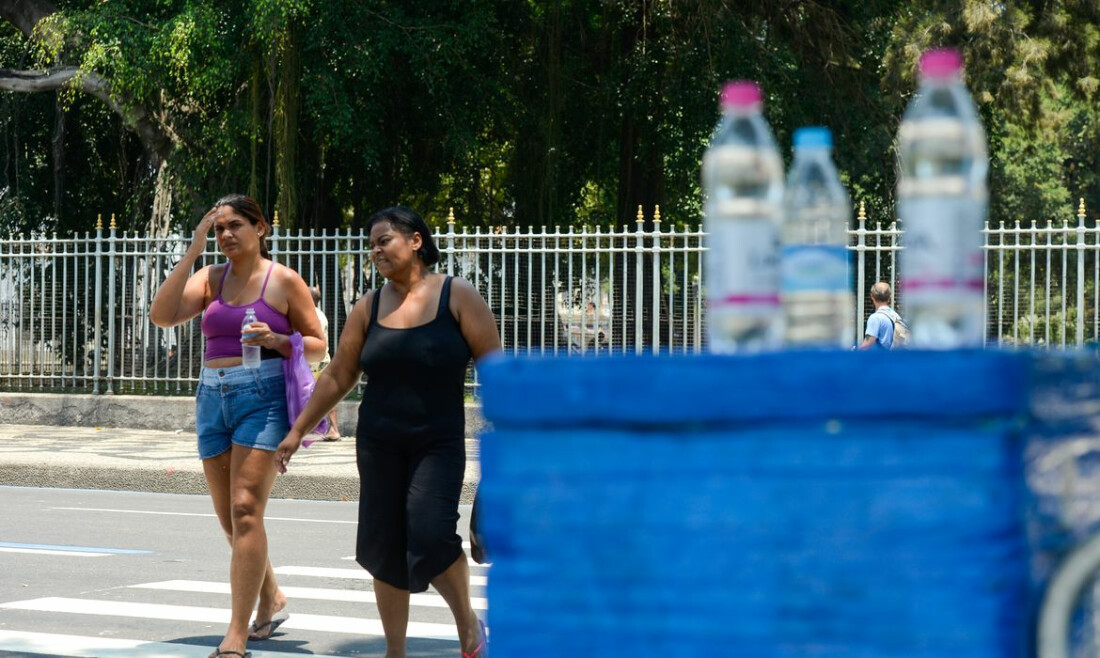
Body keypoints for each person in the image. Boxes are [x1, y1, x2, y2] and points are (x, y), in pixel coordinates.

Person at [275, 206, 500, 658]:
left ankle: (467, 626)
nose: (375, 250)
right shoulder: (369, 306)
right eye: (371, 244)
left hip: (437, 442)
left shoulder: (457, 296)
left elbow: (497, 369)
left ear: (416, 241)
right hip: (379, 443)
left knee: (431, 533)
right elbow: (339, 373)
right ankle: (394, 651)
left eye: (384, 240)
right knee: (383, 546)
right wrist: (297, 429)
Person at [149, 194, 326, 658]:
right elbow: (161, 315)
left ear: (260, 228)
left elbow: (318, 345)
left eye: (235, 226)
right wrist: (192, 251)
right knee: (231, 518)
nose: (226, 235)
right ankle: (270, 594)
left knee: (246, 510)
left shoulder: (283, 280)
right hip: (212, 397)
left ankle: (236, 634)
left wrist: (277, 339)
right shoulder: (210, 278)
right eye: (219, 228)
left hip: (263, 397)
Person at [309, 285, 342, 441]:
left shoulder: (309, 315)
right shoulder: (321, 314)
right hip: (323, 360)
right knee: (327, 397)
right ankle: (333, 429)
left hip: (310, 363)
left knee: (298, 394)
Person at [859, 281, 899, 350]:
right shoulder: (895, 315)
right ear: (889, 297)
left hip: (880, 358)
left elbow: (868, 343)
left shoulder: (875, 318)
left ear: (872, 296)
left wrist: (854, 355)